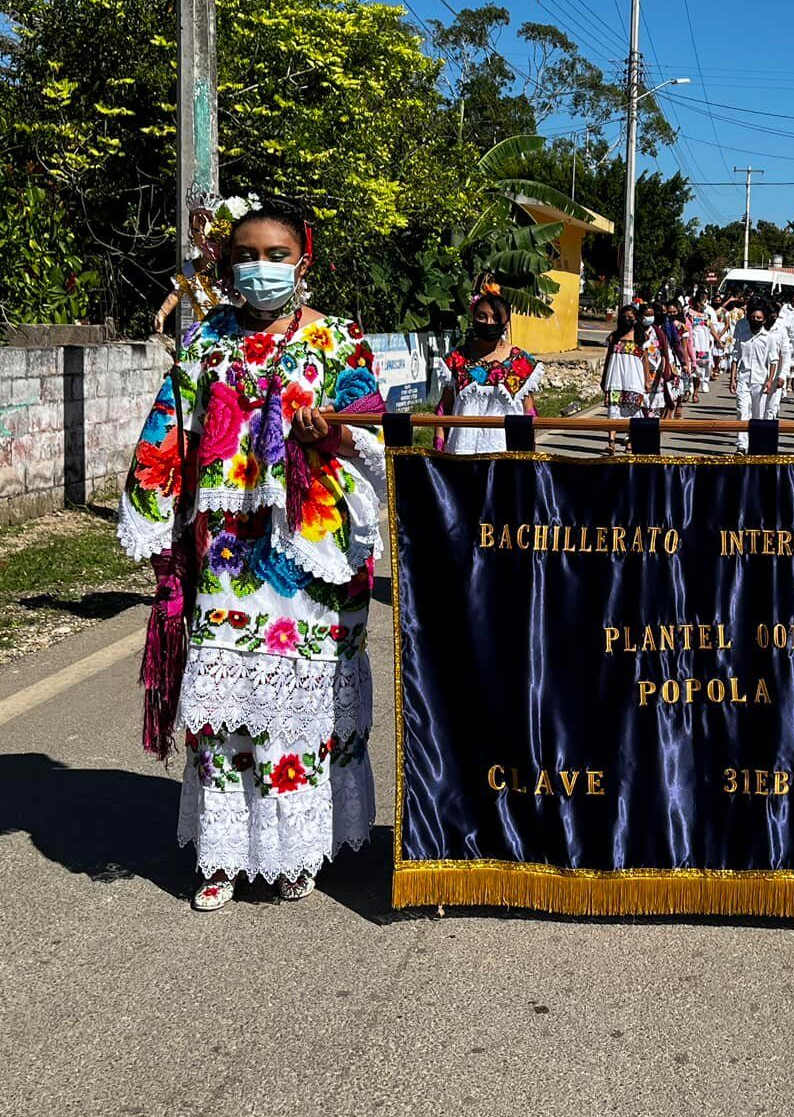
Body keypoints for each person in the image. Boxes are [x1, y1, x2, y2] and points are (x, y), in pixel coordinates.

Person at [117, 203, 387, 911]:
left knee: (304, 707)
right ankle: (225, 855)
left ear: (303, 258)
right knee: (225, 706)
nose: (258, 266)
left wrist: (331, 430)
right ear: (227, 262)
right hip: (227, 556)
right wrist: (155, 531)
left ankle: (300, 849)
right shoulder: (205, 341)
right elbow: (164, 439)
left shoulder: (339, 340)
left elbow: (374, 430)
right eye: (245, 253)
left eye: (274, 251)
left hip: (314, 554)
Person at [437, 288, 542, 455]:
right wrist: (439, 451)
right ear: (473, 318)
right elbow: (444, 412)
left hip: (505, 458)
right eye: (482, 316)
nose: (489, 323)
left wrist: (527, 459)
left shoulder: (521, 363)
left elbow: (529, 415)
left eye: (496, 317)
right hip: (462, 454)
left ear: (507, 322)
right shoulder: (456, 359)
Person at [731, 300, 783, 452]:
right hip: (743, 379)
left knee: (758, 414)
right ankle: (741, 446)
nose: (755, 320)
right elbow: (735, 357)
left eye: (759, 318)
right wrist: (732, 379)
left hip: (760, 382)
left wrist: (769, 381)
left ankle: (755, 445)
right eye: (753, 317)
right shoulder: (743, 336)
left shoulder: (769, 338)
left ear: (764, 320)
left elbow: (774, 361)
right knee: (742, 410)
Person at [600, 303, 648, 454]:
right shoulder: (614, 337)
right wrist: (604, 377)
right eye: (624, 317)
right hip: (615, 378)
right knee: (613, 410)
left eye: (631, 318)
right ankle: (611, 442)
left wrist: (647, 380)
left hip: (634, 379)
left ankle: (630, 441)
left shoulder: (642, 338)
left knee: (633, 410)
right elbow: (608, 357)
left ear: (636, 319)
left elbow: (645, 360)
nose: (627, 320)